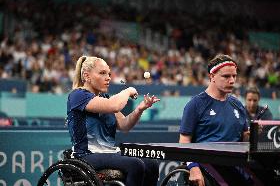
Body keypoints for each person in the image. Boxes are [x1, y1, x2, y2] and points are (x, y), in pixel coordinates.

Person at [66, 56, 160, 186]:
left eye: (109, 74)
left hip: (109, 152)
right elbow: (114, 105)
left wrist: (139, 109)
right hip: (86, 155)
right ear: (87, 76)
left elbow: (124, 125)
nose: (108, 77)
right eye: (102, 73)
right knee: (135, 165)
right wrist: (128, 90)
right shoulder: (78, 96)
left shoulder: (104, 97)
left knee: (151, 163)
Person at [179, 54, 250, 186]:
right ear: (212, 76)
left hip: (236, 166)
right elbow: (184, 140)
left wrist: (254, 135)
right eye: (226, 76)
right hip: (208, 169)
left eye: (234, 76)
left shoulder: (238, 104)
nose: (232, 80)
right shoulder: (195, 104)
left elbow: (244, 138)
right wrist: (193, 167)